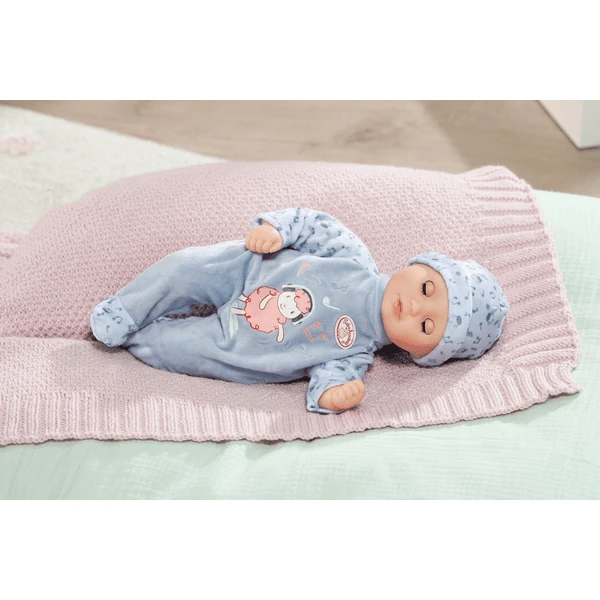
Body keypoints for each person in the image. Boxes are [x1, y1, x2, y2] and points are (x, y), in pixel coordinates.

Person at [90, 207, 509, 414]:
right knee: (186, 266)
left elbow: (330, 378)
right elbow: (312, 224)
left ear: (420, 354)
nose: (415, 305)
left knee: (188, 349)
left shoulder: (355, 352)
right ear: (418, 264)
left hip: (238, 344)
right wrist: (277, 229)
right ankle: (128, 309)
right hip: (245, 270)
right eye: (426, 287)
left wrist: (334, 396)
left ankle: (141, 339)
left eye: (427, 324)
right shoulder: (352, 258)